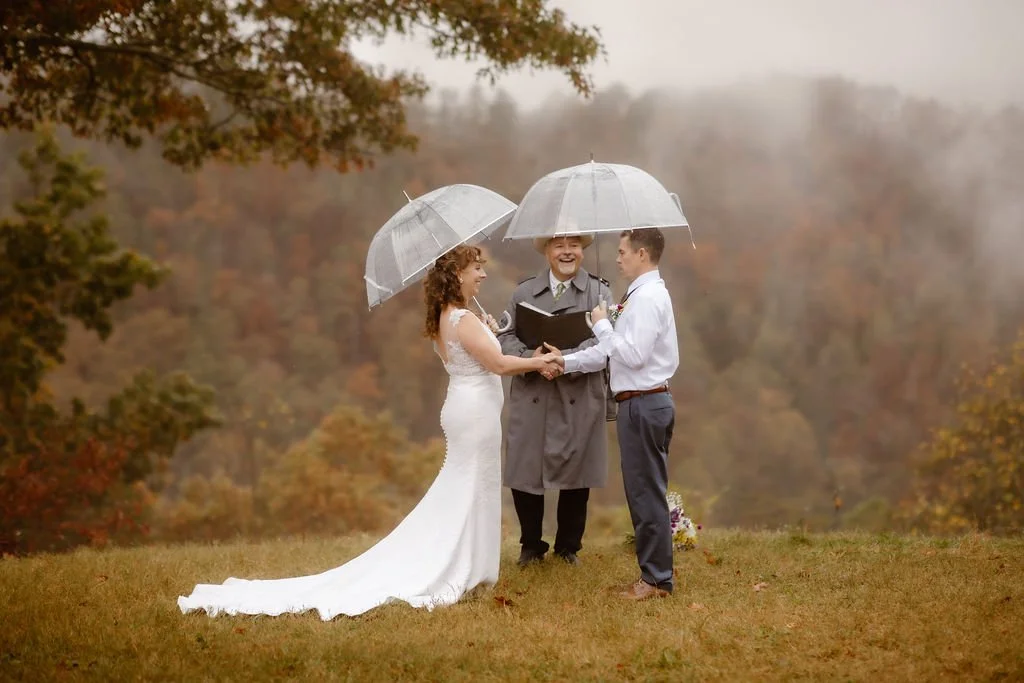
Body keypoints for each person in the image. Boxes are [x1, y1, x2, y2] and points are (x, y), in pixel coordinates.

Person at [177, 245, 560, 619]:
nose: (484, 274)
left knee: (468, 487)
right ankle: (462, 568)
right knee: (470, 488)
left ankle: (471, 567)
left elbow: (476, 352)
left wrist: (489, 330)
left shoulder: (448, 318)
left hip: (463, 410)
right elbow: (496, 364)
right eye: (478, 267)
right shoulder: (464, 319)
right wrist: (538, 360)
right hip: (474, 416)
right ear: (458, 274)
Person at [548, 228, 679, 601]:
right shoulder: (638, 295)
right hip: (637, 402)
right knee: (641, 491)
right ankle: (654, 576)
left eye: (622, 251)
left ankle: (655, 580)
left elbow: (633, 355)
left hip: (644, 402)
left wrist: (603, 323)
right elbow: (611, 352)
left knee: (645, 493)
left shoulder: (650, 298)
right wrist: (566, 361)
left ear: (641, 254)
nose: (618, 257)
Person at [497, 234, 614, 567]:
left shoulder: (599, 292)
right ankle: (531, 545)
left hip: (578, 392)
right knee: (524, 467)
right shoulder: (522, 293)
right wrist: (531, 358)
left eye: (574, 245)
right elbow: (504, 336)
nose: (567, 252)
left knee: (577, 471)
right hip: (533, 389)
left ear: (582, 251)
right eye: (559, 245)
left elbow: (605, 342)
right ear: (546, 251)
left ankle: (568, 548)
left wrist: (564, 360)